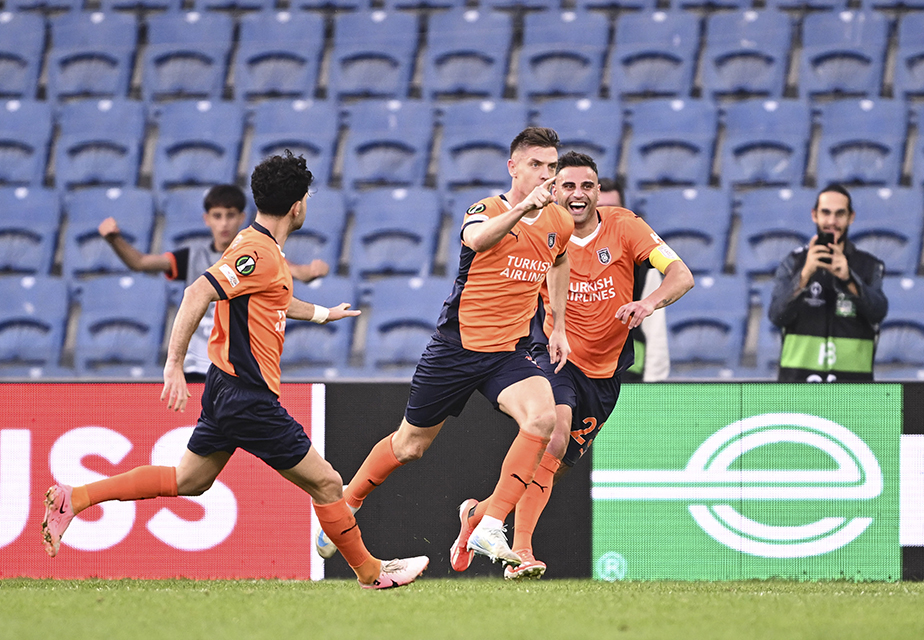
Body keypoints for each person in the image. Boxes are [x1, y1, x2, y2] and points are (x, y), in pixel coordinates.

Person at [43, 151, 429, 589]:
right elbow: (195, 292)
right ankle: (371, 573)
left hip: (225, 387)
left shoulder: (260, 247)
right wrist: (172, 363)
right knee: (328, 482)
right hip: (247, 395)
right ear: (298, 205)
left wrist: (324, 314)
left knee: (188, 480)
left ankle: (74, 499)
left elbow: (276, 299)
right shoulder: (255, 252)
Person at [315, 127, 575, 569]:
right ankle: (347, 505)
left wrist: (559, 326)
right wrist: (523, 209)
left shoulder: (559, 222)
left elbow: (561, 259)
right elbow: (477, 238)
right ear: (513, 167)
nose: (546, 176)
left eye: (552, 168)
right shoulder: (487, 209)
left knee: (544, 417)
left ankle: (491, 523)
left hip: (507, 352)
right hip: (456, 348)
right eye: (536, 166)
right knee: (410, 446)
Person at [455, 152, 694, 579]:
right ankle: (522, 552)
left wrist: (648, 302)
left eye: (587, 186)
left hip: (605, 374)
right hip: (553, 352)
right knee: (554, 436)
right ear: (553, 189)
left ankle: (477, 515)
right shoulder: (541, 226)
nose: (577, 194)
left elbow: (681, 274)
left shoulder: (625, 226)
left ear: (598, 192)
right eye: (567, 186)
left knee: (551, 466)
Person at [98, 184, 330, 382]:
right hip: (196, 368)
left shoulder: (254, 257)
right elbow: (140, 262)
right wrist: (114, 240)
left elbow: (294, 271)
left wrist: (311, 271)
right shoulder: (192, 257)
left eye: (230, 215)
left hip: (233, 367)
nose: (224, 224)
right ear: (206, 219)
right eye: (217, 216)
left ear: (241, 217)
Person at [768, 183, 888, 382]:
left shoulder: (869, 265)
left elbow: (878, 312)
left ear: (851, 217)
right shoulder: (793, 263)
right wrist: (805, 275)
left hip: (854, 390)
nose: (832, 221)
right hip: (798, 387)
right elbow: (776, 315)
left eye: (840, 214)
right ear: (814, 215)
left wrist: (848, 278)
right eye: (826, 213)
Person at [598, 178, 672, 383]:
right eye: (600, 208)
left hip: (628, 372)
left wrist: (652, 385)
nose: (607, 214)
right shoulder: (565, 255)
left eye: (613, 208)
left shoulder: (644, 265)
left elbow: (655, 331)